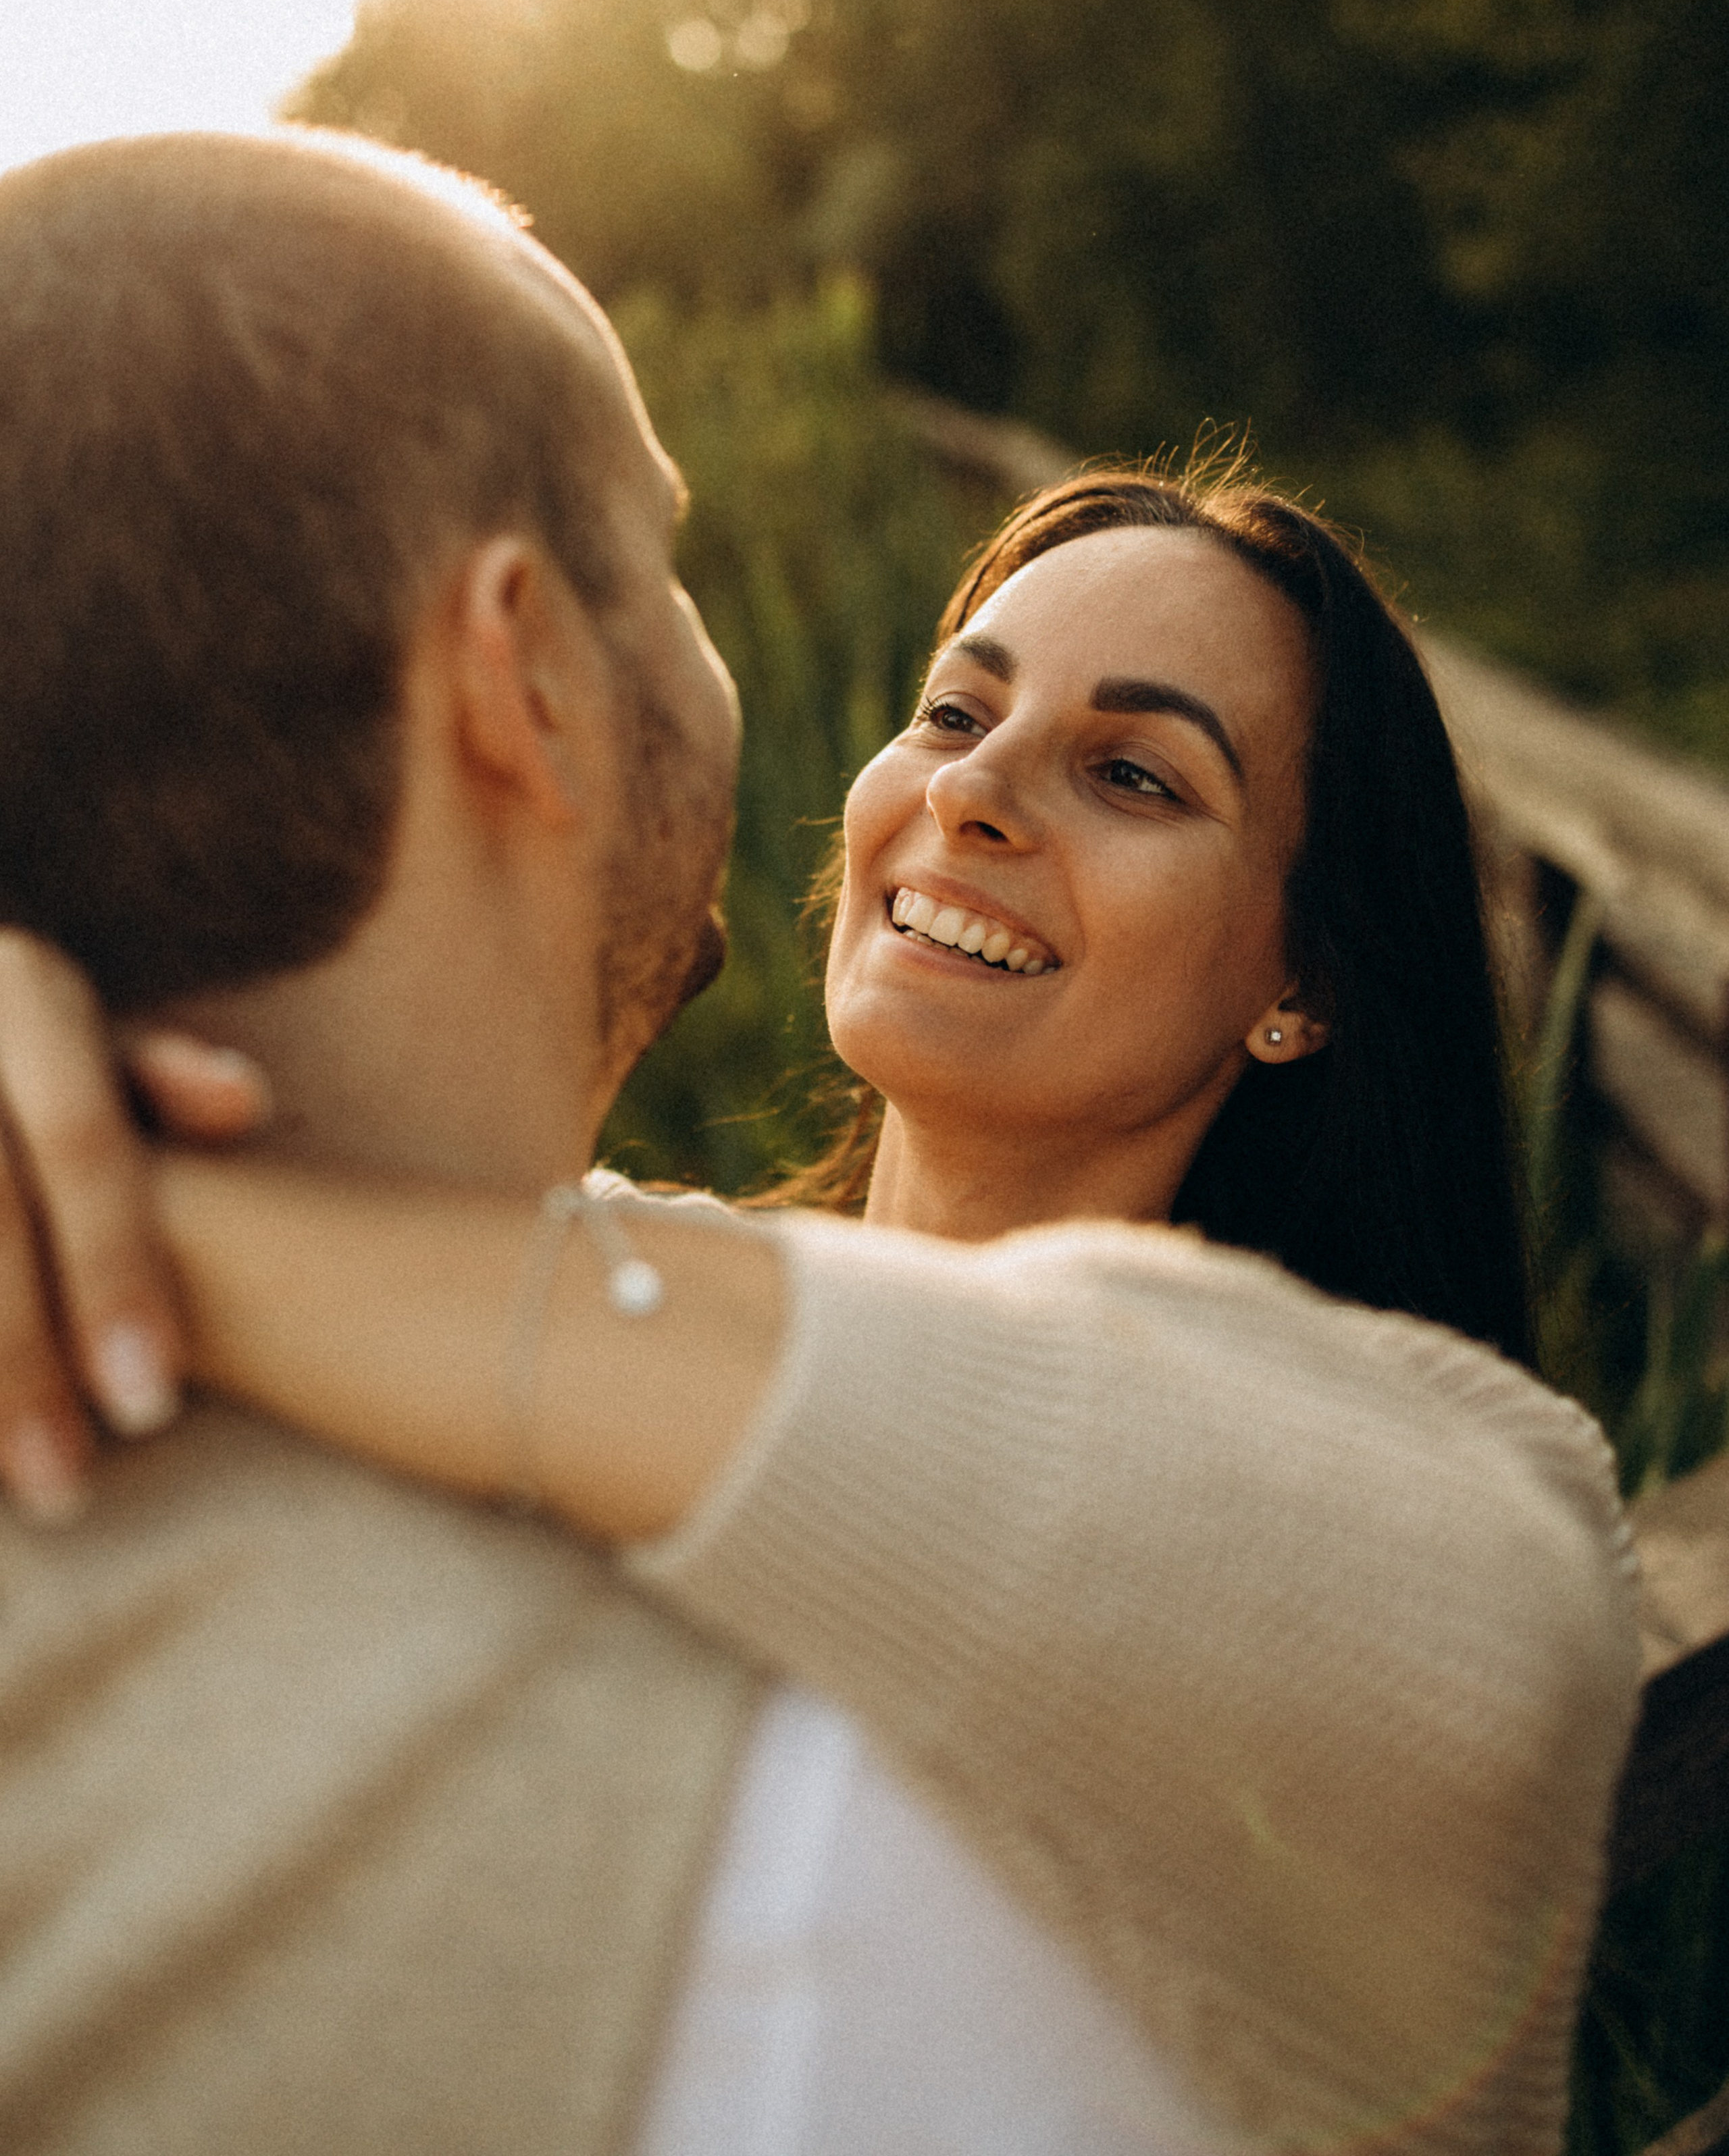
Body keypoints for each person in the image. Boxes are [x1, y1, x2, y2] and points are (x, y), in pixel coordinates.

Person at [0, 130, 1636, 2156]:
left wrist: (167, 1225)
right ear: (520, 668)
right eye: (954, 713)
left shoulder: (1399, 1511)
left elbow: (1486, 1628)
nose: (978, 793)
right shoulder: (533, 1306)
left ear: (1301, 977)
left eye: (1133, 771)